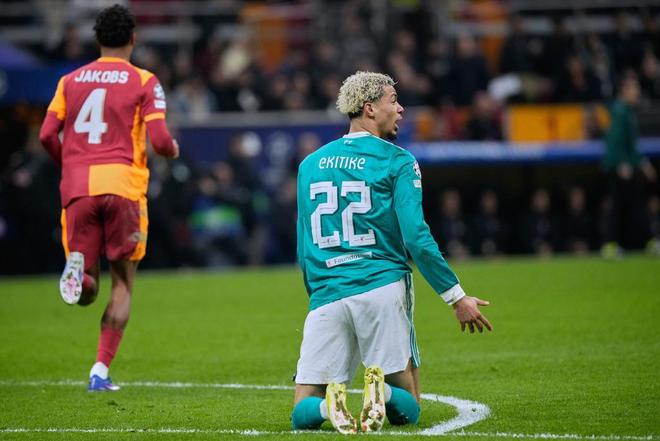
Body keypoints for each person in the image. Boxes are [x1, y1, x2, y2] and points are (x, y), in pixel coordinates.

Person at [292, 71, 492, 434]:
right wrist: (456, 297)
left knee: (302, 411)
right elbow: (416, 237)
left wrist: (318, 293)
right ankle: (380, 391)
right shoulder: (398, 161)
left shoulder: (309, 165)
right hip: (380, 287)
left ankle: (327, 406)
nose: (401, 109)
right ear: (369, 109)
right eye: (393, 101)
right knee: (409, 407)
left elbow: (304, 243)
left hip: (327, 293)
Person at [39, 4, 179, 391]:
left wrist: (70, 165)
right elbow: (160, 140)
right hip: (123, 186)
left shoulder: (69, 81)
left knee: (88, 289)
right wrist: (172, 150)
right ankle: (99, 371)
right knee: (122, 284)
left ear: (97, 39)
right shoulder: (144, 81)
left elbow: (46, 135)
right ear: (133, 38)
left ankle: (80, 274)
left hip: (78, 186)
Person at [601, 76, 657, 258]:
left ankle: (613, 244)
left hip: (625, 166)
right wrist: (622, 164)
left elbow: (631, 146)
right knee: (630, 206)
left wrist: (643, 163)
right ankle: (648, 241)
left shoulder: (626, 111)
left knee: (625, 206)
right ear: (624, 91)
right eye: (634, 89)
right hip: (622, 169)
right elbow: (616, 141)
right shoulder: (620, 111)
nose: (637, 92)